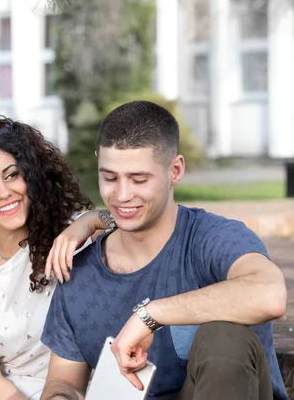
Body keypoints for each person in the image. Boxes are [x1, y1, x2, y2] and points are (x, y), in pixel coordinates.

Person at [40, 100, 288, 400]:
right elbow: (64, 382)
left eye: (139, 179)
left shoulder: (213, 238)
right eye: (109, 177)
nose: (121, 195)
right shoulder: (79, 273)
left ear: (175, 170)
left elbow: (269, 295)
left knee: (224, 338)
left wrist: (150, 314)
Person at [0, 116, 113, 399]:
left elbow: (133, 222)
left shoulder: (73, 233)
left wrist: (90, 221)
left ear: (29, 175)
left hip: (97, 388)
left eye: (11, 175)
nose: (5, 192)